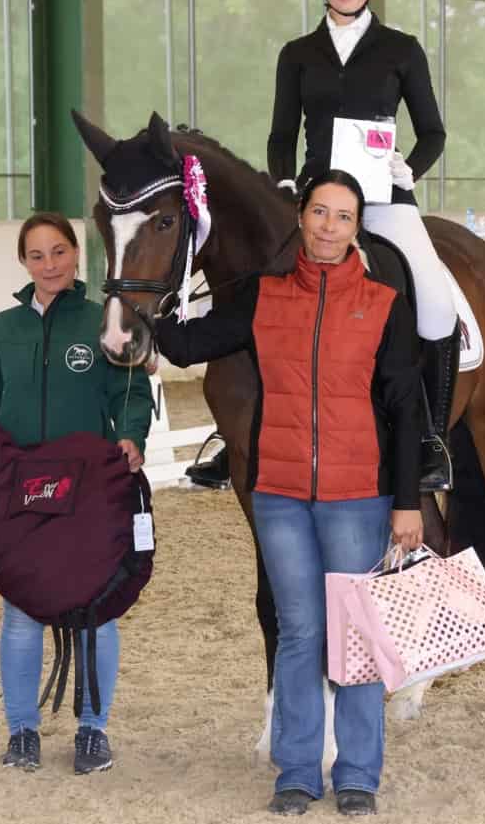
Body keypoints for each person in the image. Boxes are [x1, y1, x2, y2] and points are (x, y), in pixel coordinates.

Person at [155, 170, 423, 816]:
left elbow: (405, 409)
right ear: (301, 217)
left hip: (358, 493)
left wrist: (408, 499)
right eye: (320, 213)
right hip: (277, 491)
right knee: (300, 632)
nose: (330, 227)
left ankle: (357, 772)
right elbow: (190, 345)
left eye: (343, 217)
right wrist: (146, 300)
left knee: (355, 635)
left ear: (357, 228)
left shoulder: (384, 303)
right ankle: (298, 770)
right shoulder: (262, 296)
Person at [188, 0, 455, 494]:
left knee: (434, 301)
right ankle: (233, 430)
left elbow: (433, 131)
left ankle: (430, 437)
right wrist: (284, 184)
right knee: (259, 290)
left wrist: (410, 167)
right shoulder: (298, 54)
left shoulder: (401, 50)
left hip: (384, 196)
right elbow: (281, 135)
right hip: (314, 197)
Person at [0, 212, 153, 775]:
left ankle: (93, 730)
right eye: (37, 255)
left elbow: (131, 391)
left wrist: (132, 435)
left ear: (75, 256)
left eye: (59, 252)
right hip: (21, 492)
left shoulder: (103, 322)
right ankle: (22, 731)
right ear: (23, 262)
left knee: (97, 611)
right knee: (20, 614)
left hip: (89, 491)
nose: (49, 264)